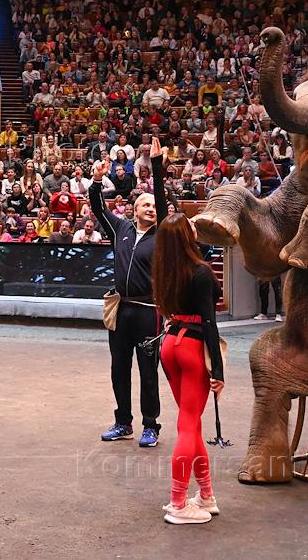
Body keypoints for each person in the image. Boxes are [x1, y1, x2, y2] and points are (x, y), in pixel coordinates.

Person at [90, 136, 168, 447]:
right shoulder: (121, 229)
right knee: (118, 368)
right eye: (145, 205)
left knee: (148, 372)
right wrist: (97, 181)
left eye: (153, 205)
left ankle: (151, 425)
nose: (151, 208)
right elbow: (97, 208)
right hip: (121, 310)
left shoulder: (162, 233)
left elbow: (161, 200)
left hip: (148, 311)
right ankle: (123, 422)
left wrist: (158, 167)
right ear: (134, 211)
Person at [153, 212, 224, 525]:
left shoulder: (165, 270)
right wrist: (218, 370)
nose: (196, 227)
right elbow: (210, 322)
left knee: (190, 423)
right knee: (188, 424)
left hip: (170, 344)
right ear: (185, 236)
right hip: (192, 347)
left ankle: (206, 495)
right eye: (191, 226)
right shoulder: (201, 272)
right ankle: (179, 503)